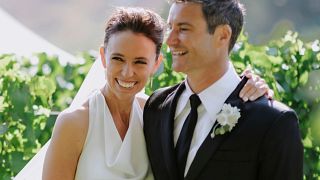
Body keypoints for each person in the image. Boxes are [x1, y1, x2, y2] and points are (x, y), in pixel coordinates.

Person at [40, 7, 268, 180]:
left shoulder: (158, 113)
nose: (127, 72)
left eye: (140, 62)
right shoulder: (75, 123)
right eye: (118, 59)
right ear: (103, 57)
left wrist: (252, 87)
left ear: (156, 64)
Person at [143, 1, 303, 180]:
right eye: (170, 27)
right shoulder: (156, 106)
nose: (170, 40)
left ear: (223, 35)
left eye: (184, 29)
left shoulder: (274, 122)